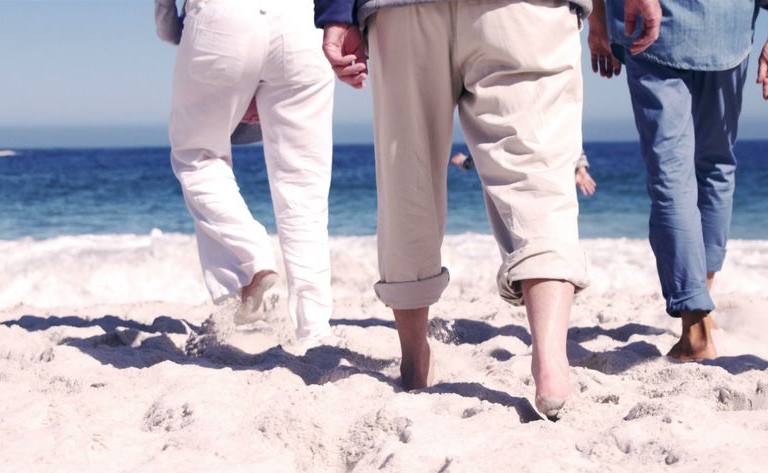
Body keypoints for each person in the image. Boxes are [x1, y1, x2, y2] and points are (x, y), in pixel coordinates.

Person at [315, 0, 593, 418]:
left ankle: (413, 361)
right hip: (527, 9)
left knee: (406, 172)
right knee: (538, 173)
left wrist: (336, 12)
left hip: (402, 9)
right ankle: (551, 361)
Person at [588, 0, 768, 361]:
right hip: (727, 28)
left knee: (672, 175)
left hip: (654, 26)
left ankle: (695, 326)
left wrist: (598, 21)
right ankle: (702, 304)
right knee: (716, 166)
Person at [158, 0, 336, 341]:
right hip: (302, 23)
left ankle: (253, 258)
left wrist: (169, 25)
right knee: (304, 184)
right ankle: (314, 328)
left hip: (220, 18)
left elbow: (167, 16)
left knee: (198, 155)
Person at [451, 150, 598, 196]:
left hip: (536, 189)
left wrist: (581, 168)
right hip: (540, 189)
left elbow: (490, 144)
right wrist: (581, 168)